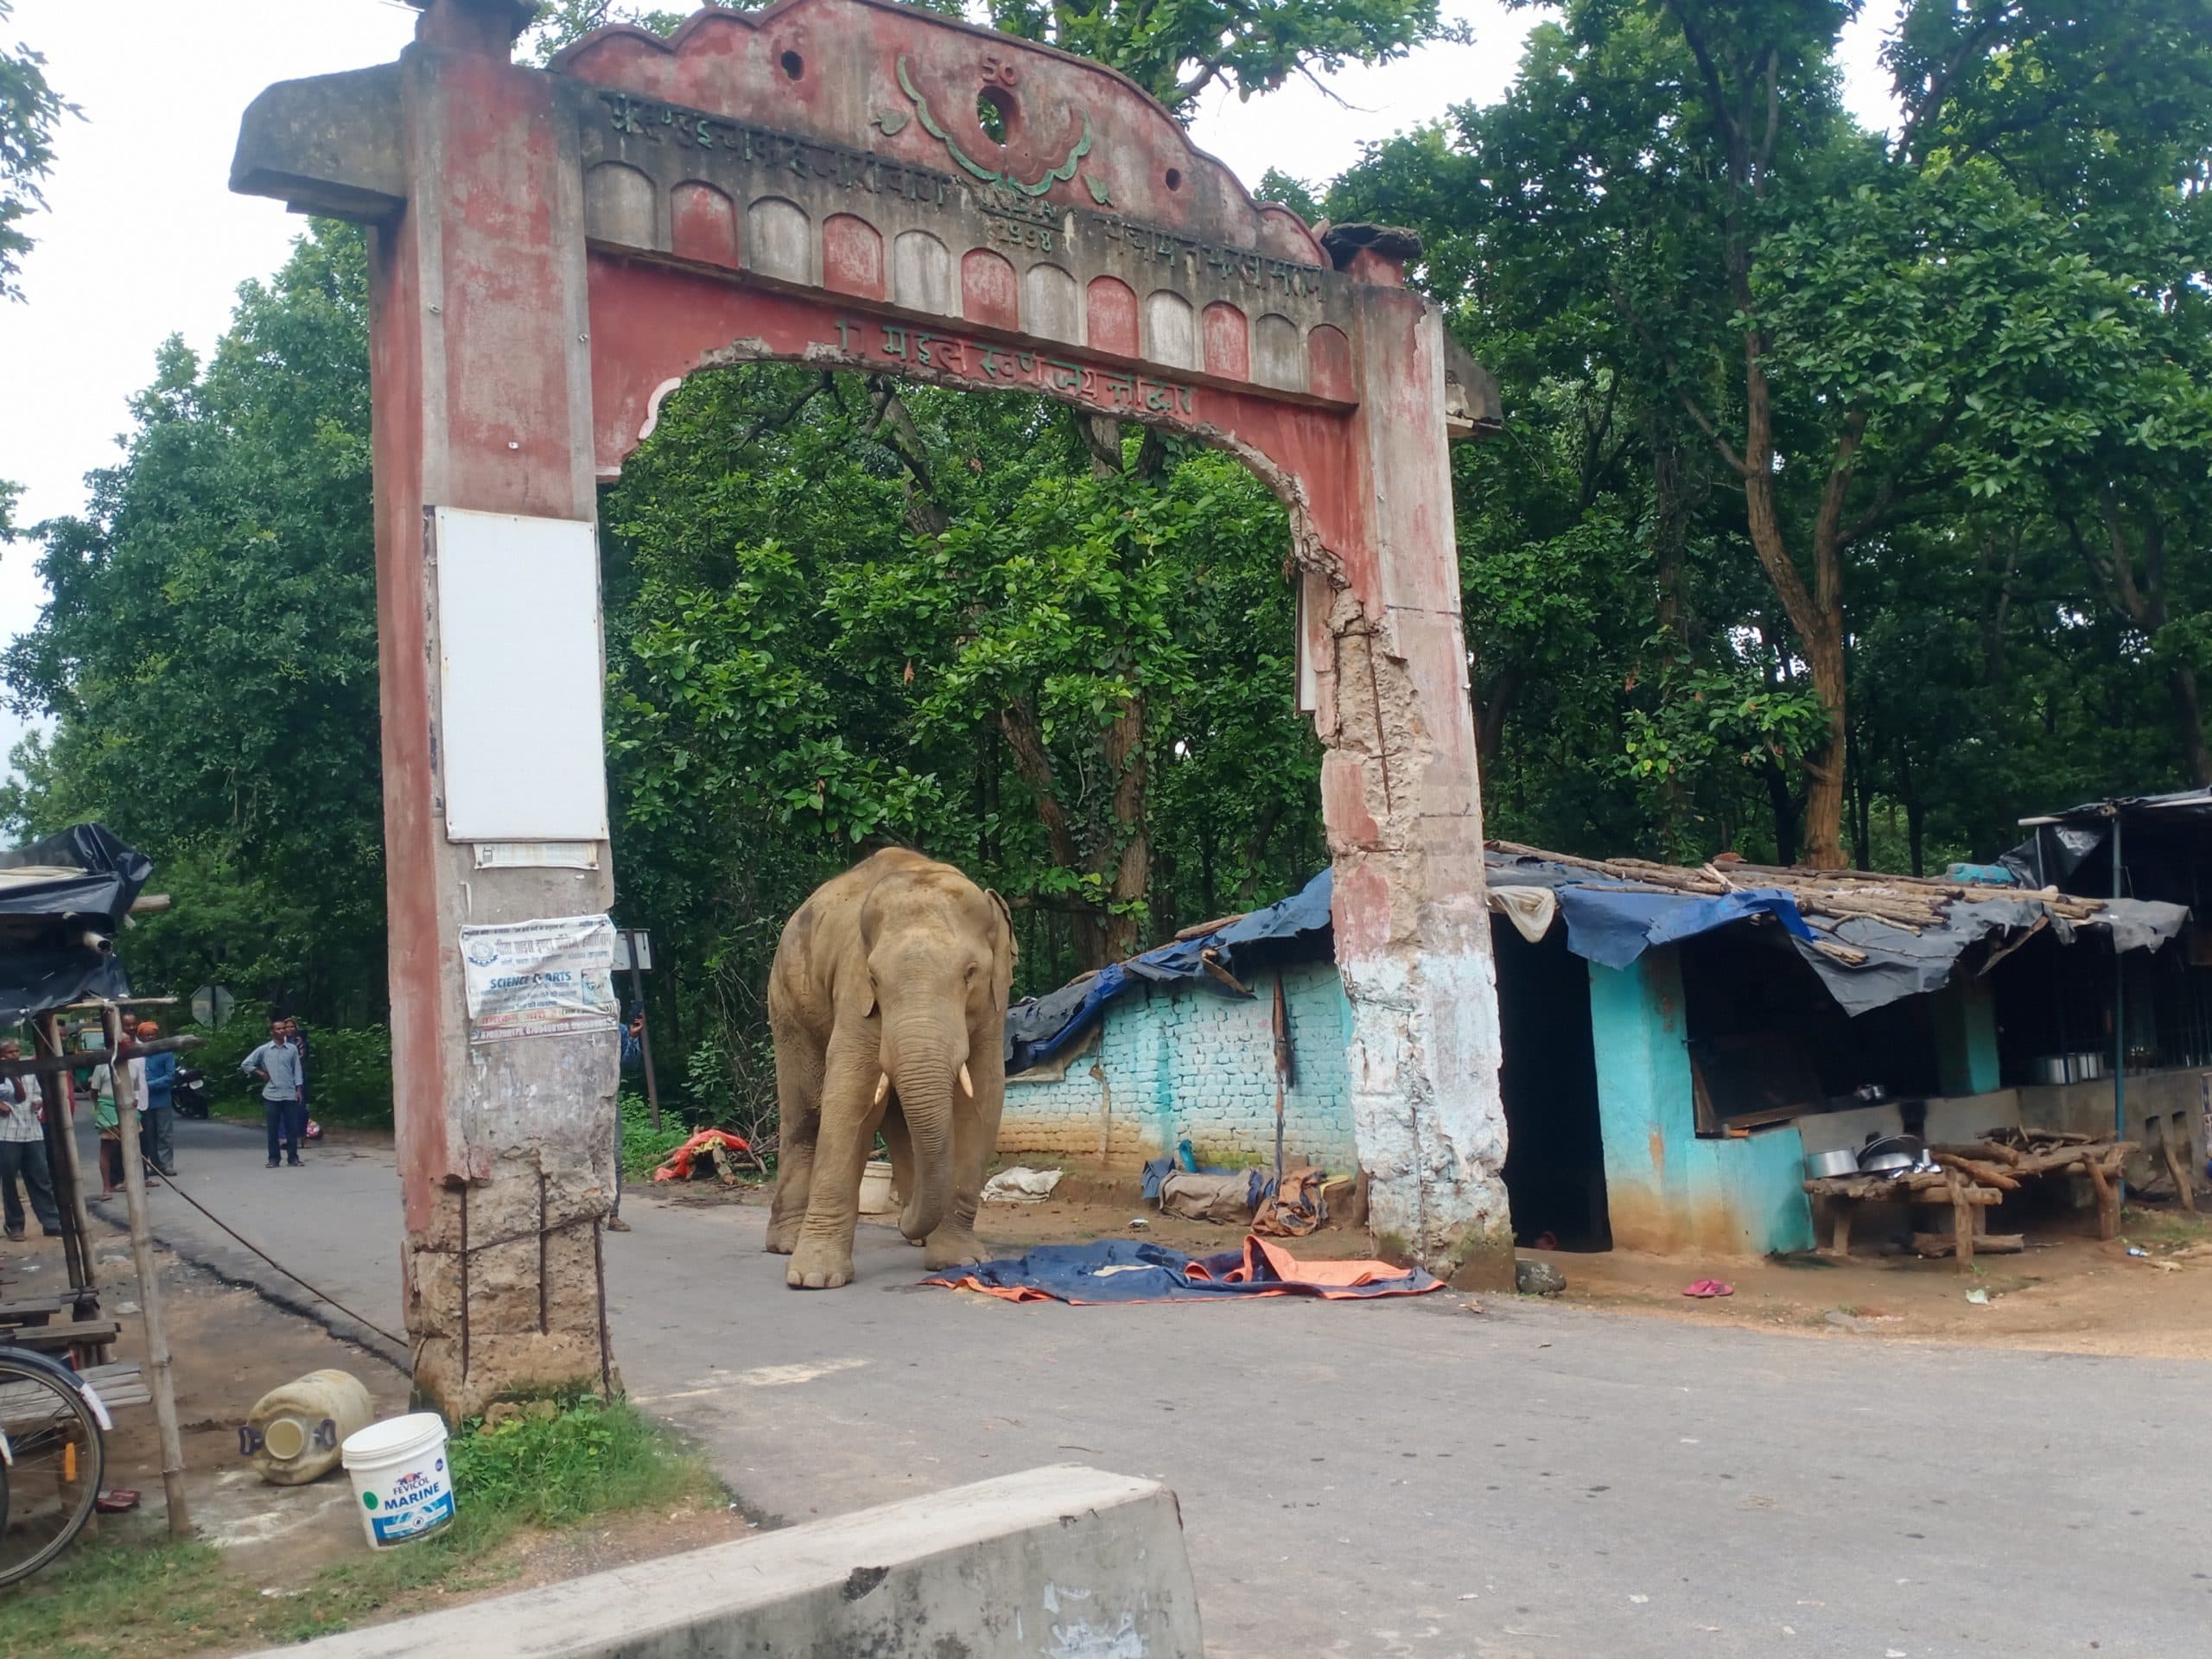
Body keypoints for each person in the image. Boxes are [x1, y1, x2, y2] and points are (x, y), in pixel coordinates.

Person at [0, 1039, 61, 1239]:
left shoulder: (28, 1069)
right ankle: (15, 1225)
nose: (15, 1055)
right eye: (10, 1053)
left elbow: (37, 1093)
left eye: (17, 1051)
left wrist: (38, 1103)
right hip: (7, 1133)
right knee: (9, 1181)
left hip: (32, 1130)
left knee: (41, 1178)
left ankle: (51, 1222)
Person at [242, 1019, 306, 1168]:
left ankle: (293, 1158)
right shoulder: (264, 1050)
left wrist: (299, 1089)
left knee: (292, 1128)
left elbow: (297, 1069)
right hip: (271, 1094)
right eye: (278, 1029)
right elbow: (246, 1064)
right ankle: (273, 1159)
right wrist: (259, 1072)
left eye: (283, 1028)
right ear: (272, 1032)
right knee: (273, 1129)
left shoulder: (291, 1049)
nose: (282, 1031)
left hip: (289, 1093)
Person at [137, 1019, 178, 1178]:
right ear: (140, 1036)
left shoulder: (166, 1052)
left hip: (161, 1099)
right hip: (143, 1101)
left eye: (153, 1034)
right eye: (146, 1035)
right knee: (148, 1134)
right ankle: (154, 1165)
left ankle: (167, 1165)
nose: (150, 1038)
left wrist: (148, 1085)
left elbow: (170, 1076)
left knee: (165, 1133)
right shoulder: (137, 1053)